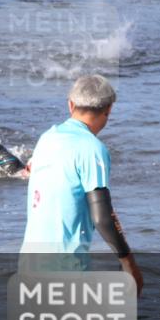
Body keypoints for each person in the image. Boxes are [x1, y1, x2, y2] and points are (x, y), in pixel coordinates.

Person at [19, 75, 143, 294]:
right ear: (109, 110)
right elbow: (102, 216)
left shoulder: (47, 138)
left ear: (70, 104)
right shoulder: (92, 148)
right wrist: (128, 263)